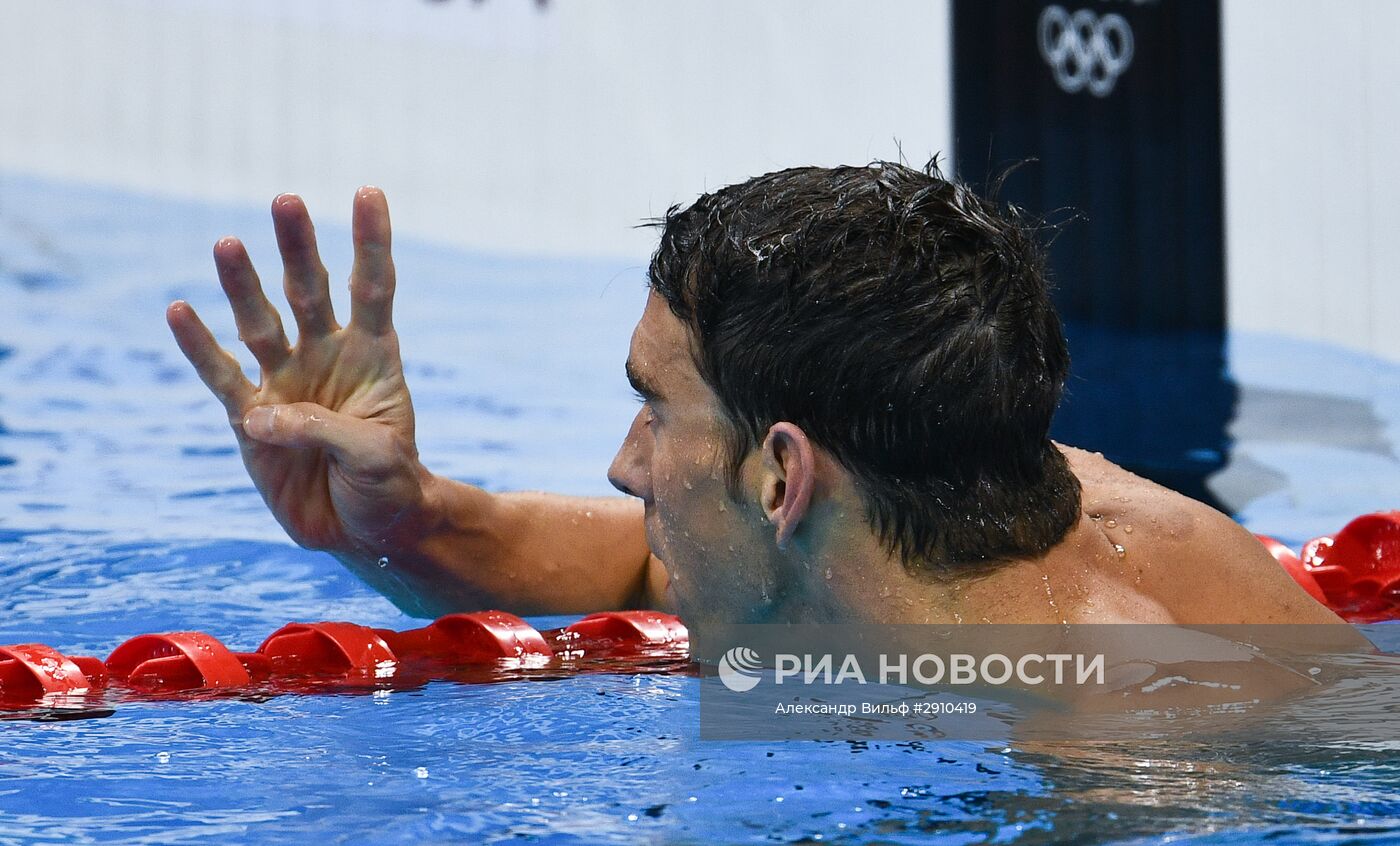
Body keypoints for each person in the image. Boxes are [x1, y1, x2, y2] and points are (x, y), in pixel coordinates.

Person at [165, 162, 1343, 629]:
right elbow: (649, 560)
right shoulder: (885, 525)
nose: (623, 467)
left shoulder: (1109, 732)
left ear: (781, 472)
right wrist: (407, 522)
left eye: (655, 408)